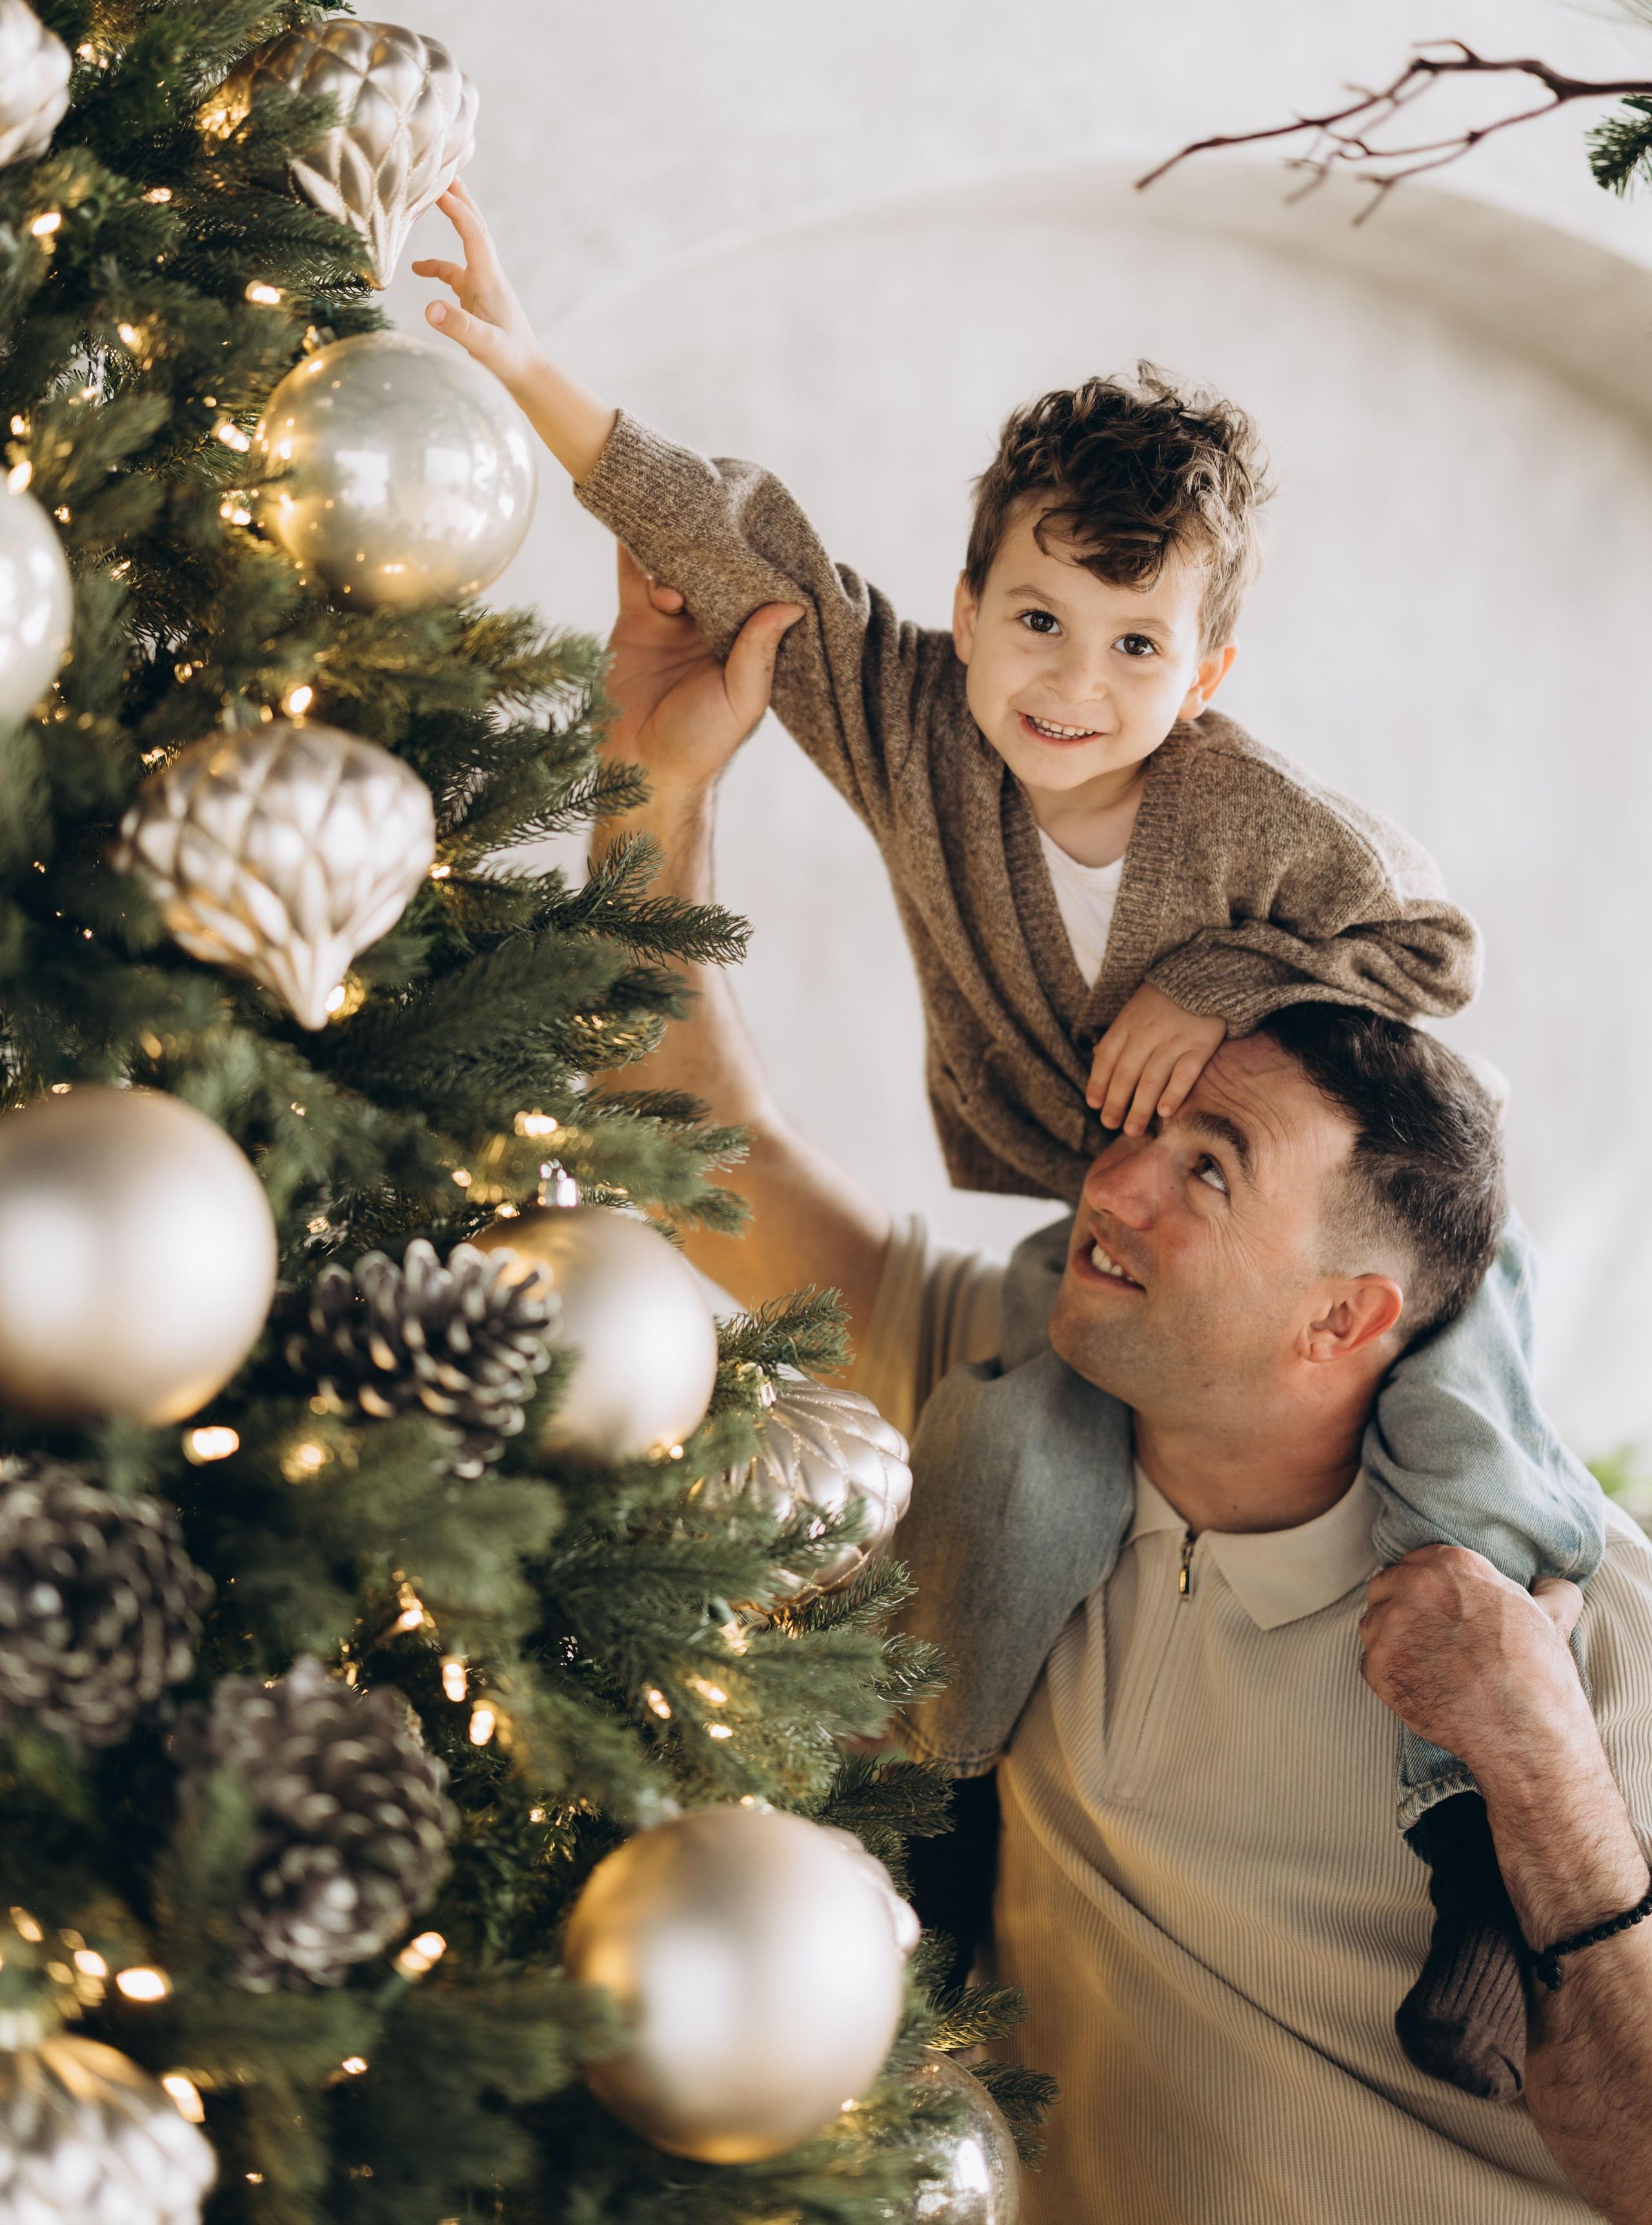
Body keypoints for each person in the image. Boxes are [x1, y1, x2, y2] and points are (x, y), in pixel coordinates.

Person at [412, 183, 1601, 2096]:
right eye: (1036, 620)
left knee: (1470, 1477)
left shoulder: (1255, 819)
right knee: (1002, 1478)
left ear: (1205, 676)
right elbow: (748, 552)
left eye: (1137, 647)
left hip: (1397, 1240)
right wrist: (538, 376)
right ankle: (941, 1815)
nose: (1073, 684)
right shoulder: (922, 743)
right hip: (1097, 1239)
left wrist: (1215, 979)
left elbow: (1429, 954)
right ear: (963, 615)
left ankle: (1471, 1855)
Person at [549, 564, 1652, 2225]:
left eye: (1207, 1168)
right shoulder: (1007, 1398)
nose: (1109, 1185)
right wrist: (654, 777)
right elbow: (696, 1135)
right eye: (1140, 1128)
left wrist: (1540, 1770)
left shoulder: (1581, 1630)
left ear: (1343, 1317)